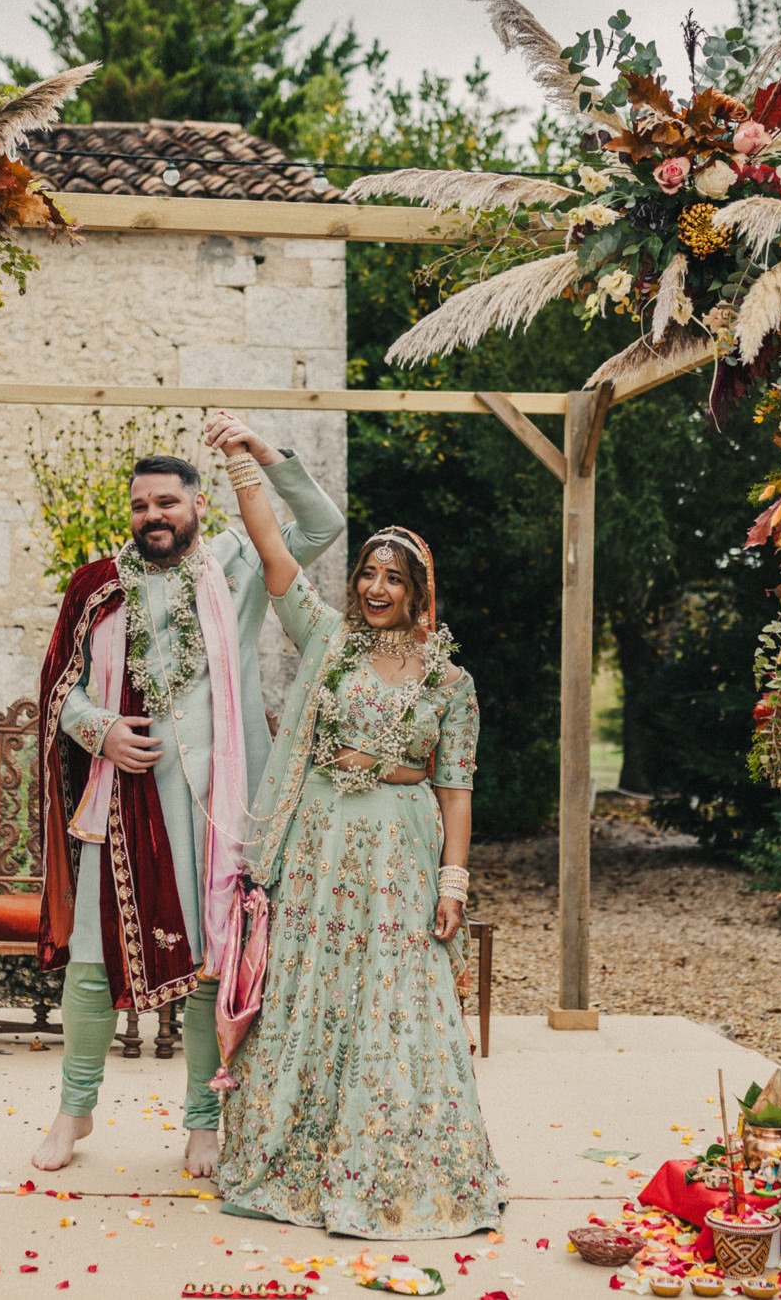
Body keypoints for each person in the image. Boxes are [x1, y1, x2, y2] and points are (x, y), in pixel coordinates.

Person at [208, 431, 507, 1239]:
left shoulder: (451, 680)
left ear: (419, 590)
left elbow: (457, 790)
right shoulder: (328, 645)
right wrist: (248, 458)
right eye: (368, 573)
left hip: (399, 859)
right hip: (318, 853)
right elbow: (273, 550)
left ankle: (392, 1165)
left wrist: (453, 882)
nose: (376, 586)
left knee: (399, 1001)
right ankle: (296, 1159)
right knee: (312, 996)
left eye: (393, 577)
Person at [32, 412, 344, 1178]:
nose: (153, 517)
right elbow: (57, 692)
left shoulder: (238, 564)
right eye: (141, 506)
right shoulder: (98, 586)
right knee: (91, 964)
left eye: (167, 503)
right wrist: (99, 728)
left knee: (214, 964)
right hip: (121, 804)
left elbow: (323, 524)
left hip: (222, 806)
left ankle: (204, 1120)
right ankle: (74, 1113)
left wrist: (262, 453)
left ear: (198, 503)